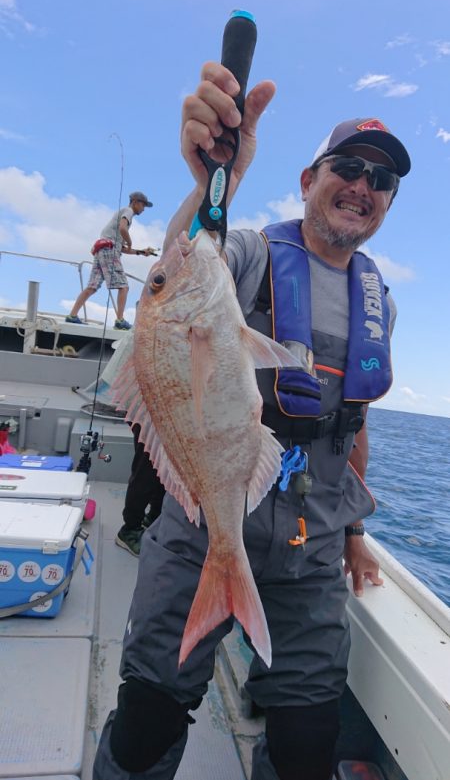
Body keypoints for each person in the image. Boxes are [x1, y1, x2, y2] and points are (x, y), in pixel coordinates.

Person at [93, 61, 411, 780]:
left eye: (381, 178)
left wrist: (355, 535)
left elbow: (351, 425)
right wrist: (219, 180)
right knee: (146, 721)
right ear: (307, 179)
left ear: (387, 202)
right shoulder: (245, 255)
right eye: (347, 167)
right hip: (200, 520)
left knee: (306, 743)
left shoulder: (379, 305)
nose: (362, 184)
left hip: (310, 547)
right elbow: (177, 269)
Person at [66, 191, 157, 330]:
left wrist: (141, 252)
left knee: (92, 286)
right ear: (135, 202)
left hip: (103, 249)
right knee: (124, 287)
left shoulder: (122, 215)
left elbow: (121, 248)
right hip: (109, 250)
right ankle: (120, 321)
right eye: (143, 205)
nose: (143, 209)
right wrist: (130, 242)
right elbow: (123, 229)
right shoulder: (128, 211)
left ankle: (72, 315)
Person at [115, 423, 166, 557]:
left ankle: (155, 516)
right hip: (151, 419)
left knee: (166, 470)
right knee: (146, 471)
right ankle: (130, 530)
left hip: (173, 422)